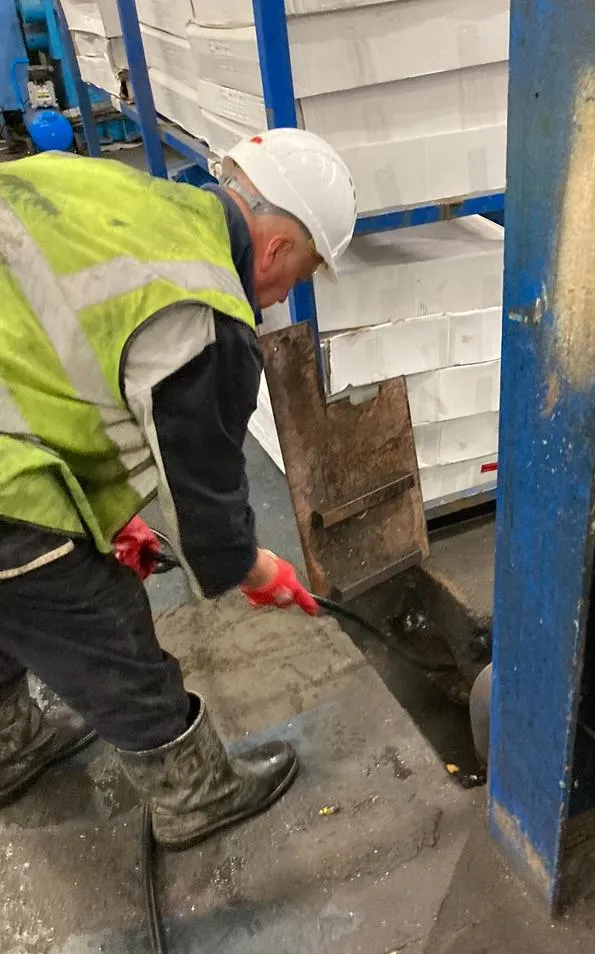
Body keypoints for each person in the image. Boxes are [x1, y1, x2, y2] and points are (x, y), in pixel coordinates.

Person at [0, 129, 357, 849]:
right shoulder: (199, 310)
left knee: (15, 600)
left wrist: (104, 517)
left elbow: (51, 354)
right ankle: (194, 793)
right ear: (277, 249)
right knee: (97, 619)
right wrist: (255, 568)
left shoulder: (115, 191)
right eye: (298, 276)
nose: (283, 296)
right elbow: (203, 508)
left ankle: (8, 744)